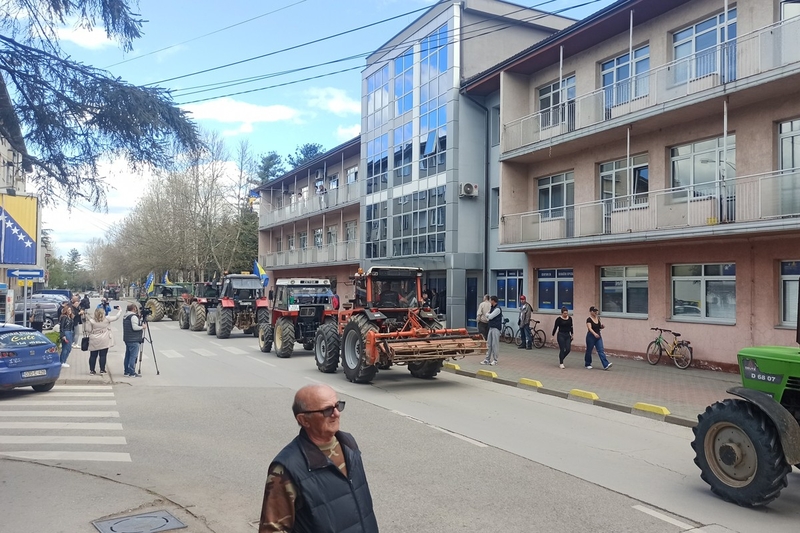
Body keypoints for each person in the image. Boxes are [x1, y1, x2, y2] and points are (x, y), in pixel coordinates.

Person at [259, 384, 378, 533]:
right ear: (304, 420)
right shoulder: (286, 468)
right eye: (327, 410)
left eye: (338, 406)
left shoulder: (348, 444)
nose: (336, 414)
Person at [86, 306, 122, 375]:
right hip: (104, 338)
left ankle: (92, 370)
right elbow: (116, 317)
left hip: (94, 339)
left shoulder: (91, 321)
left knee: (93, 355)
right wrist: (120, 310)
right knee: (103, 355)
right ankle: (102, 369)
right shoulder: (107, 319)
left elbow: (88, 330)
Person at [122, 303, 146, 377]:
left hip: (127, 338)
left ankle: (126, 371)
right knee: (133, 356)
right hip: (134, 339)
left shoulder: (126, 316)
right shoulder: (133, 317)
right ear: (134, 309)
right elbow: (135, 327)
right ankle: (132, 372)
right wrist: (142, 327)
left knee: (128, 355)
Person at [585, 306, 612, 370]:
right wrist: (594, 334)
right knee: (589, 350)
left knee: (601, 350)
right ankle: (587, 363)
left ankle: (606, 364)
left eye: (596, 311)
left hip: (598, 336)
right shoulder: (589, 319)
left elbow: (599, 327)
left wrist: (602, 327)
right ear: (591, 312)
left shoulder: (598, 318)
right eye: (594, 311)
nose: (595, 313)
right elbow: (589, 328)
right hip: (591, 336)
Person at [481, 296, 502, 366]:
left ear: (493, 301)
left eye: (490, 300)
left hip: (496, 328)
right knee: (489, 343)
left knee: (495, 344)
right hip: (491, 327)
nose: (490, 301)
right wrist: (488, 315)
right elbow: (487, 314)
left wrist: (488, 315)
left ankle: (495, 360)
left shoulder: (497, 309)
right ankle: (487, 359)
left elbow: (490, 316)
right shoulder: (492, 308)